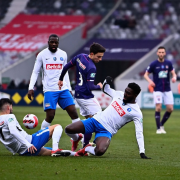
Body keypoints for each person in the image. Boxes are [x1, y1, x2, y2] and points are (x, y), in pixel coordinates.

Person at [64, 77, 150, 159]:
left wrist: (142, 152)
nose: (125, 94)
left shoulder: (136, 112)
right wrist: (106, 81)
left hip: (106, 131)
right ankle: (76, 138)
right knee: (68, 129)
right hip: (95, 121)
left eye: (128, 93)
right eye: (125, 91)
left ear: (135, 95)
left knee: (99, 151)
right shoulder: (119, 94)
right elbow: (105, 89)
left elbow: (139, 132)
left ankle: (86, 148)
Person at [28, 34, 82, 151]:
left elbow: (65, 72)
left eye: (55, 43)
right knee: (50, 116)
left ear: (58, 43)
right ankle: (39, 140)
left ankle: (80, 140)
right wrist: (31, 87)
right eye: (51, 42)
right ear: (48, 42)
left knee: (73, 112)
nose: (53, 44)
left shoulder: (63, 54)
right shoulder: (42, 55)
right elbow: (35, 72)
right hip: (49, 90)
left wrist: (68, 88)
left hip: (63, 89)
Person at [58, 42, 106, 148]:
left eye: (101, 57)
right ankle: (85, 144)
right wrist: (99, 86)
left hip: (78, 94)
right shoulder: (92, 67)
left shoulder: (80, 57)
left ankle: (83, 142)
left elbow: (66, 66)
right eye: (99, 57)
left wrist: (61, 79)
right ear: (92, 54)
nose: (100, 59)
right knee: (98, 120)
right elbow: (90, 86)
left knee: (89, 119)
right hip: (86, 96)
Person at [0, 98, 75, 156]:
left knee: (50, 151)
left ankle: (76, 154)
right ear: (8, 108)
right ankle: (56, 149)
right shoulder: (10, 116)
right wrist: (28, 144)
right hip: (31, 142)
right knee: (57, 127)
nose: (12, 109)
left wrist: (14, 150)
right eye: (11, 107)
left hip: (24, 152)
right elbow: (13, 131)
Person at [144, 46, 177, 134]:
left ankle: (161, 124)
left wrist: (174, 77)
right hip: (157, 89)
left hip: (167, 89)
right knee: (158, 107)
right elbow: (145, 75)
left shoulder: (168, 63)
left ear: (165, 53)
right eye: (160, 52)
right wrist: (150, 81)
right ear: (157, 53)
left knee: (170, 109)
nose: (161, 54)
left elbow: (173, 73)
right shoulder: (153, 64)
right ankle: (158, 128)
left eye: (163, 52)